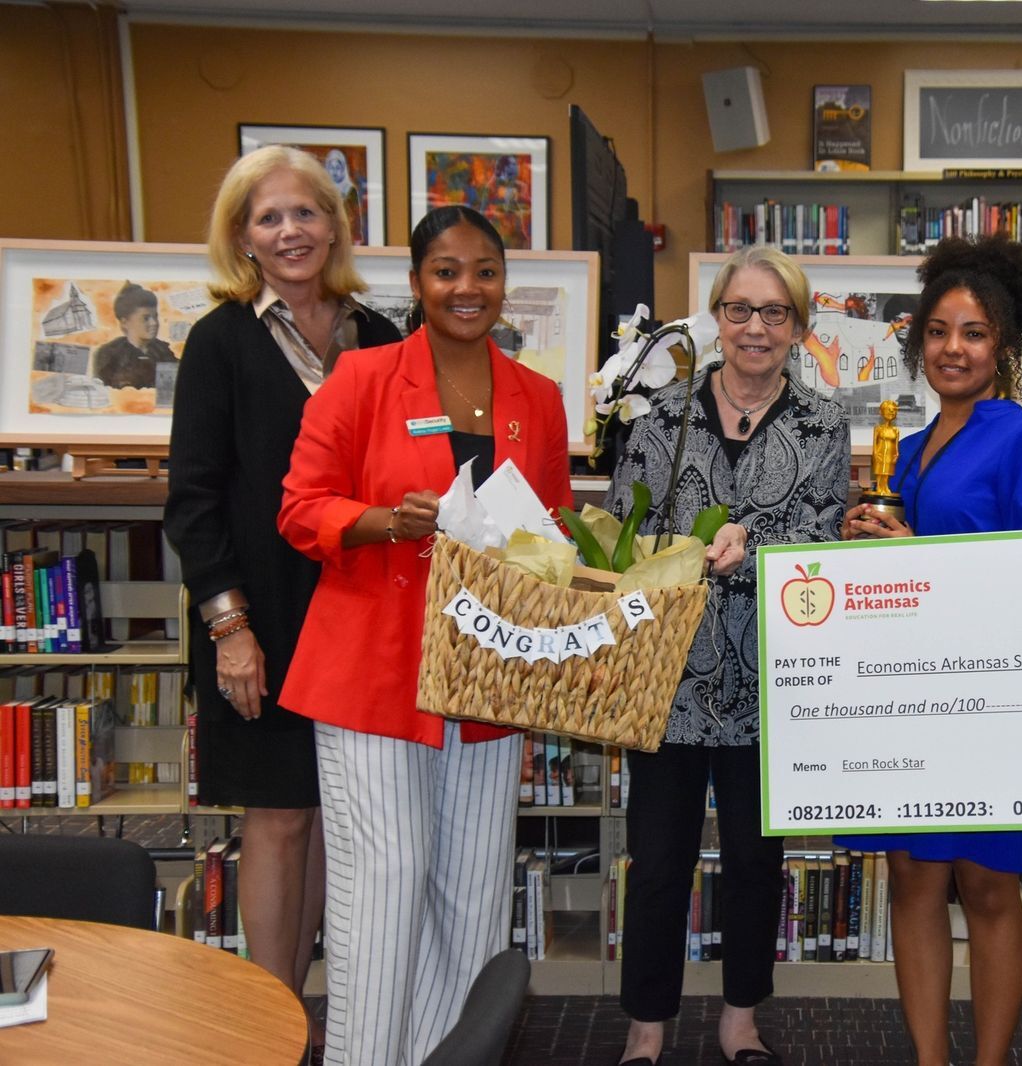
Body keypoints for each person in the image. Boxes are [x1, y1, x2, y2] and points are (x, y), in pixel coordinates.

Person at [276, 204, 573, 1066]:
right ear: (416, 284)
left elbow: (549, 531)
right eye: (446, 271)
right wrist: (380, 521)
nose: (467, 288)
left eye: (485, 270)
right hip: (375, 672)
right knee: (385, 881)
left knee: (470, 893)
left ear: (504, 284)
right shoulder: (361, 380)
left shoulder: (538, 399)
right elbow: (300, 507)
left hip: (488, 679)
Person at [164, 146, 400, 1031]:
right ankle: (272, 1025)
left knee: (340, 824)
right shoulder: (219, 341)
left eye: (306, 212)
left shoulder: (381, 337)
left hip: (361, 618)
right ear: (242, 237)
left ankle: (316, 1023)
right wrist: (231, 629)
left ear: (336, 226)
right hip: (260, 620)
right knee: (279, 820)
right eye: (269, 217)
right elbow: (193, 502)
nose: (290, 230)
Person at [840, 235, 1022, 1066]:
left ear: (1006, 344)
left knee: (986, 884)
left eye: (975, 332)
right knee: (912, 878)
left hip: (992, 700)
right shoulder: (903, 453)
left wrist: (910, 551)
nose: (954, 348)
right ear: (919, 344)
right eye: (940, 331)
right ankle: (929, 1059)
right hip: (909, 703)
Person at [610, 245, 849, 1066]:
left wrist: (758, 542)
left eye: (775, 313)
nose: (755, 328)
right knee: (658, 863)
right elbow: (618, 538)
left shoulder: (824, 423)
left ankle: (740, 1019)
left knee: (754, 861)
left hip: (771, 683)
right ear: (716, 318)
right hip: (668, 679)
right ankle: (646, 1028)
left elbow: (824, 533)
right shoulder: (660, 418)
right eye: (740, 310)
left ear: (798, 328)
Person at [91, 280, 178, 388]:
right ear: (125, 322)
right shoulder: (109, 355)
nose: (154, 323)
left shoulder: (165, 352)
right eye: (146, 318)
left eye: (155, 316)